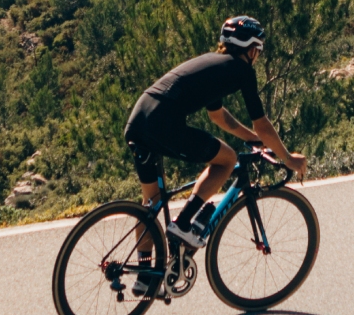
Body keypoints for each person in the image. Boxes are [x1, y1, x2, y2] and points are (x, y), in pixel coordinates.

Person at [125, 15, 308, 251]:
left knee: (151, 203)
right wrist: (289, 158)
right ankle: (182, 224)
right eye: (258, 51)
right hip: (163, 123)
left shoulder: (213, 65)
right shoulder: (242, 70)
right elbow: (262, 123)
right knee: (228, 159)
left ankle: (146, 278)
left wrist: (253, 139)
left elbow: (218, 116)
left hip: (138, 119)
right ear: (252, 50)